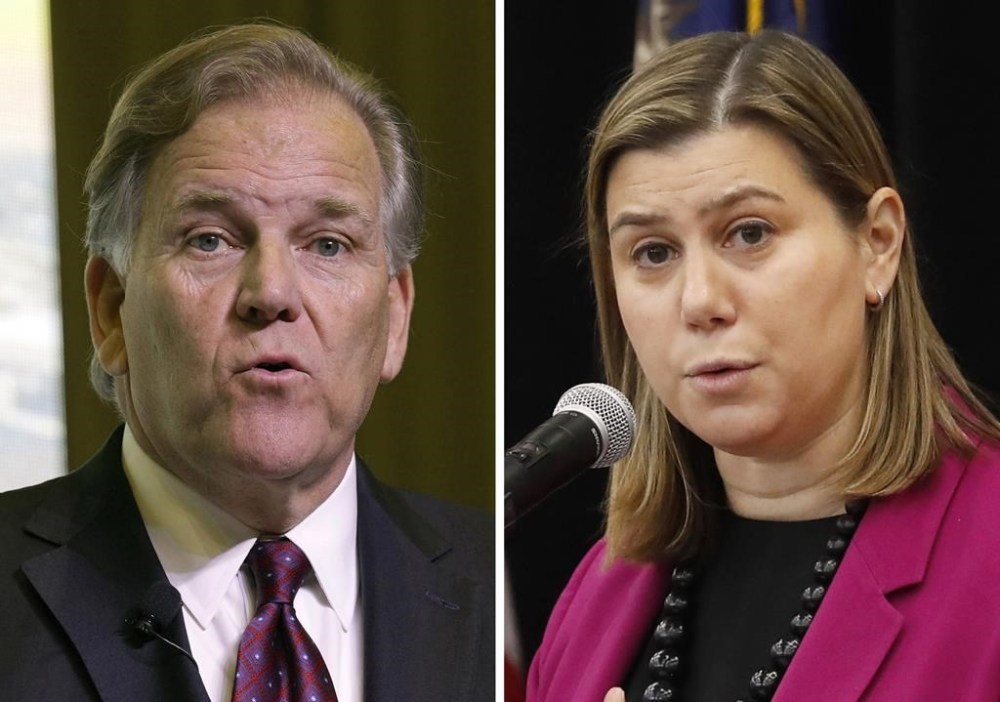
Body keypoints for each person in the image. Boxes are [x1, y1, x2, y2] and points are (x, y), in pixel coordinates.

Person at [0, 23, 493, 702]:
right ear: (112, 311)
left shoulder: (505, 590)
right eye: (211, 239)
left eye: (327, 245)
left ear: (396, 316)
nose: (272, 294)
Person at [526, 29, 1000, 702]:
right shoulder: (599, 592)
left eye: (749, 233)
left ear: (878, 245)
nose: (701, 302)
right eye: (654, 253)